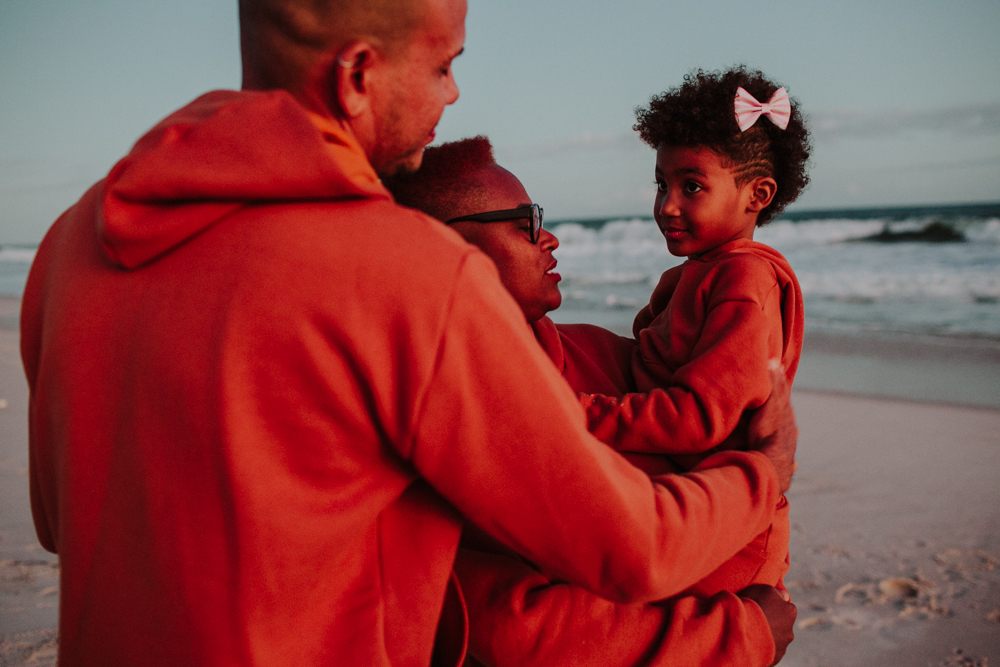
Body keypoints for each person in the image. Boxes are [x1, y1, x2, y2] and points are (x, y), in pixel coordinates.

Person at [20, 1, 797, 664]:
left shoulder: (68, 244)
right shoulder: (408, 273)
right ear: (359, 75)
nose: (453, 95)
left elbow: (60, 523)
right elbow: (633, 545)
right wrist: (766, 469)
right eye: (443, 66)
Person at [387, 136, 797, 666]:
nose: (550, 238)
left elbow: (699, 401)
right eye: (524, 222)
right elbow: (514, 626)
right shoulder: (452, 410)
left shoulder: (591, 348)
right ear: (448, 250)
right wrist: (742, 633)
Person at [579, 67, 810, 598]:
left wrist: (578, 415)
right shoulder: (707, 270)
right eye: (662, 184)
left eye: (692, 186)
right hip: (700, 500)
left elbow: (697, 416)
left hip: (726, 527)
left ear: (758, 194)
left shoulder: (743, 279)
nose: (668, 206)